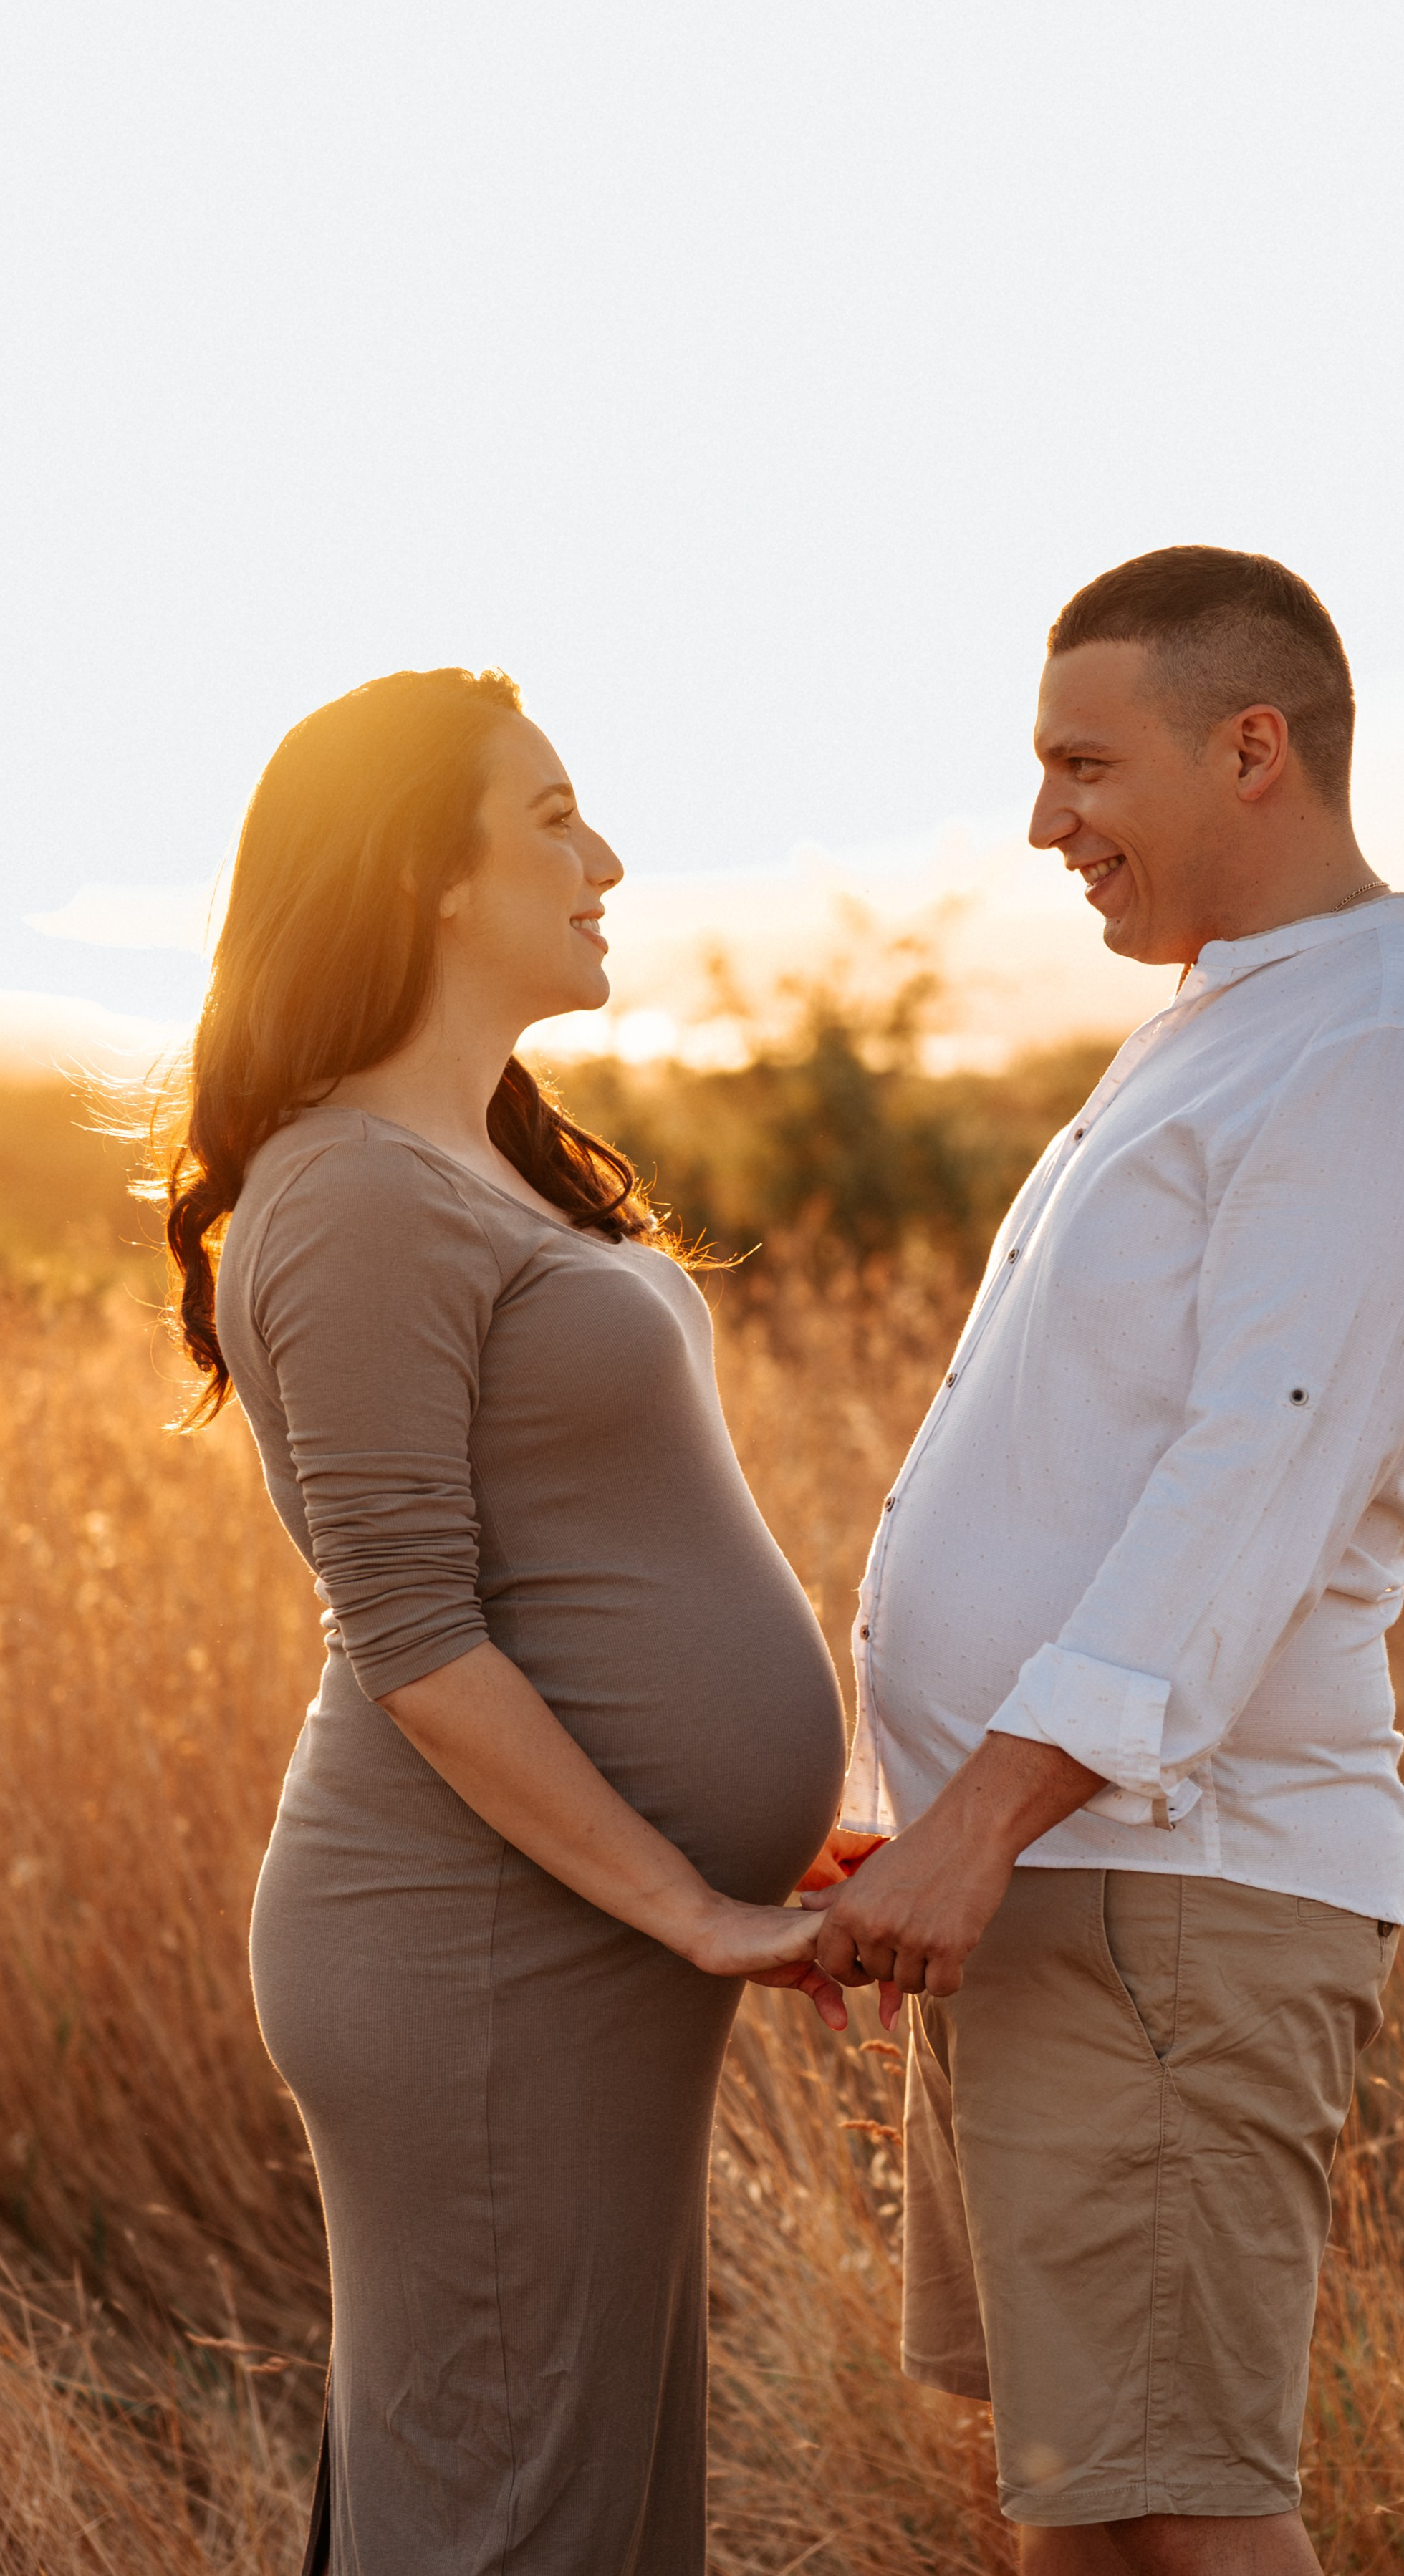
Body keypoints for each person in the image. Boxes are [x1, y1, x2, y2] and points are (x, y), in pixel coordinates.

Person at [807, 548, 1404, 2573]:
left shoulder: (1376, 1056)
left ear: (1253, 749)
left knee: (1188, 2515)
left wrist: (987, 1814)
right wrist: (933, 1817)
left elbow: (1253, 1490)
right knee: (1088, 2495)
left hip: (1169, 1893)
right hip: (1074, 1883)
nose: (1045, 824)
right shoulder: (1236, 1023)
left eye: (1080, 767)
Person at [160, 666, 848, 2573]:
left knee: (563, 2495)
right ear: (423, 876)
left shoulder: (476, 1162)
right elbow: (413, 1635)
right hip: (478, 1947)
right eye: (553, 816)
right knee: (505, 2509)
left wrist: (757, 1835)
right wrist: (700, 1898)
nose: (606, 856)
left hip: (570, 1936)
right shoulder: (355, 1194)